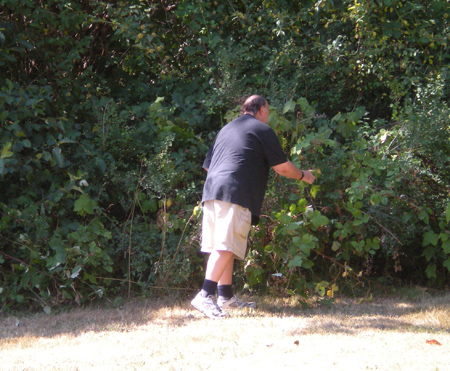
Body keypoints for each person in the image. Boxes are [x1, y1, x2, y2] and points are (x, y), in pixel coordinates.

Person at [191, 95, 315, 319]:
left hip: (212, 192)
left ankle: (225, 297)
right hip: (235, 192)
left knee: (222, 244)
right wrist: (305, 176)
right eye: (268, 111)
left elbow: (208, 167)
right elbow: (283, 168)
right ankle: (205, 295)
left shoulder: (226, 129)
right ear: (262, 110)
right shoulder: (261, 129)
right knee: (226, 245)